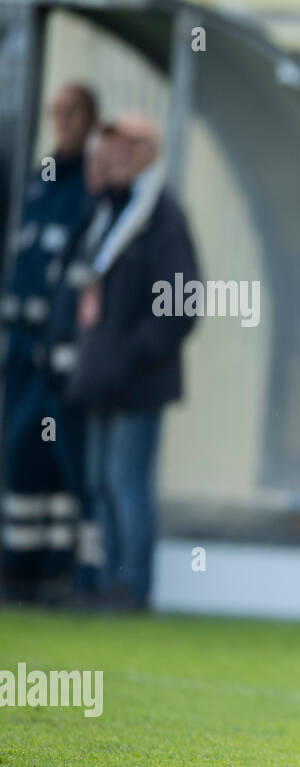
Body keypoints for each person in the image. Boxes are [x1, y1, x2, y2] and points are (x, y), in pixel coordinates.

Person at [65, 115, 199, 611]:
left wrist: (132, 354)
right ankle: (104, 580)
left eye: (124, 147)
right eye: (108, 146)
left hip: (136, 380)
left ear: (147, 151)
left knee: (126, 483)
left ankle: (132, 587)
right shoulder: (109, 212)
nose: (112, 156)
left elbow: (182, 303)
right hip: (99, 377)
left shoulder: (161, 216)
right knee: (100, 483)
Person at [0, 82, 98, 604]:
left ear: (89, 117)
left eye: (72, 112)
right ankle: (18, 569)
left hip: (55, 352)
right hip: (19, 346)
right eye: (56, 111)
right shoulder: (41, 177)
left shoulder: (88, 182)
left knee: (55, 458)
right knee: (18, 456)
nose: (62, 120)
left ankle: (58, 572)